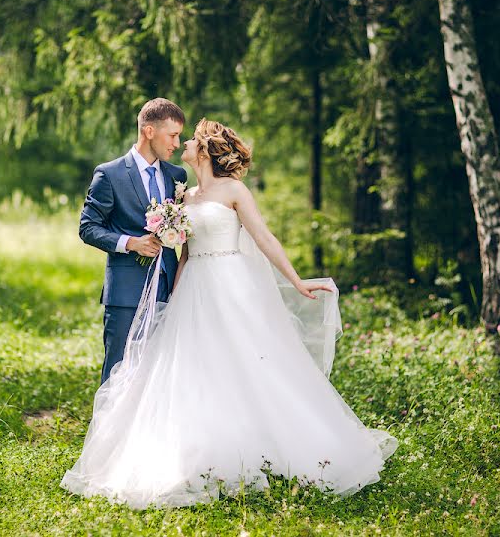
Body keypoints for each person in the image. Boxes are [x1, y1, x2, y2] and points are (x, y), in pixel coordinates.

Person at [64, 118, 397, 509]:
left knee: (249, 363)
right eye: (178, 136)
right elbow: (184, 253)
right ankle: (199, 451)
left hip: (232, 284)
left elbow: (263, 237)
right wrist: (173, 294)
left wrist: (299, 280)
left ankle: (271, 445)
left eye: (189, 139)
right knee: (191, 370)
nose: (183, 143)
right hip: (193, 289)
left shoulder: (235, 191)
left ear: (203, 151)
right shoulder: (183, 196)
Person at [79, 98, 189, 385]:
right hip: (126, 291)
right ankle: (107, 430)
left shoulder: (177, 176)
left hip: (167, 289)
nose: (177, 144)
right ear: (149, 131)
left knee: (159, 374)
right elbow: (88, 227)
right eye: (173, 135)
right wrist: (130, 242)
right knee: (117, 370)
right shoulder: (110, 174)